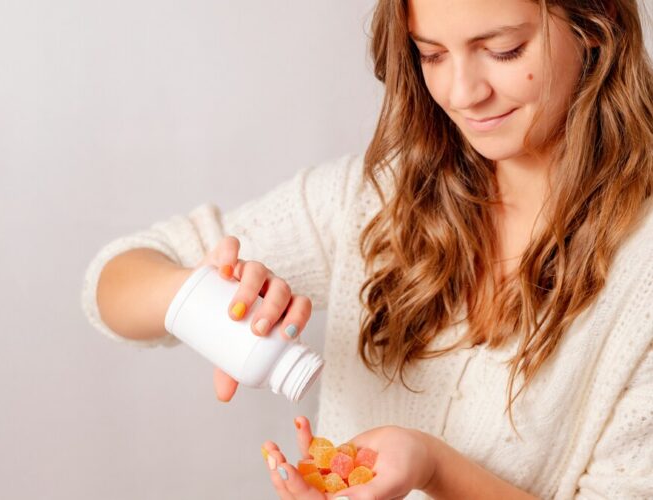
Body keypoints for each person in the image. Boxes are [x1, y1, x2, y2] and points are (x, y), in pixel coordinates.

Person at [81, 0, 653, 497]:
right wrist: (202, 299)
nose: (462, 93)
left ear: (593, 26)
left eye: (503, 50)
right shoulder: (376, 199)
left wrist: (434, 470)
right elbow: (112, 282)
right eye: (431, 54)